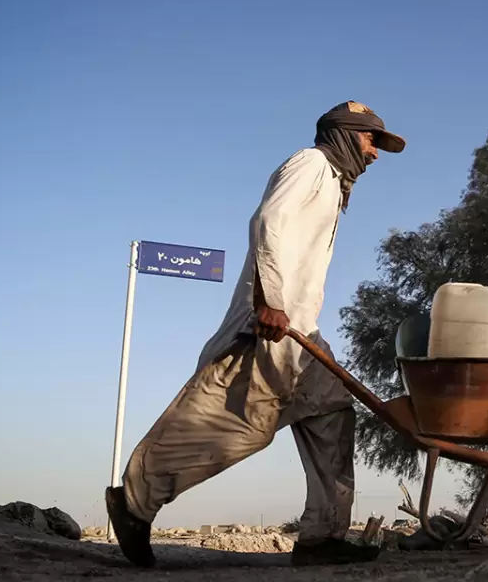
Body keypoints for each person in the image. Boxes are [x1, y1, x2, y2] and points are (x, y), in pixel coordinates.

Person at [105, 101, 406, 568]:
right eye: (371, 141)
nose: (375, 155)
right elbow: (267, 222)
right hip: (268, 330)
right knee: (236, 427)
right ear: (345, 135)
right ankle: (134, 503)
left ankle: (321, 537)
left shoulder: (332, 183)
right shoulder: (311, 164)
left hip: (301, 333)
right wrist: (271, 301)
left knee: (333, 412)